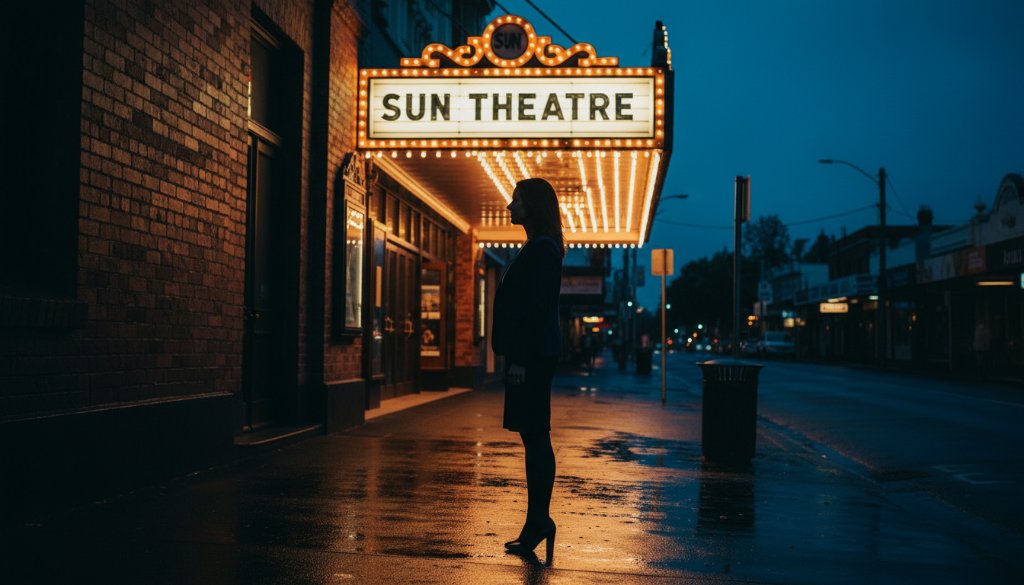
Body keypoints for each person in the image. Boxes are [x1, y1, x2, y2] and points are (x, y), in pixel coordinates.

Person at [491, 178, 564, 562]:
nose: (509, 206)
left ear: (532, 205)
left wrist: (519, 358)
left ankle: (539, 521)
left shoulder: (542, 250)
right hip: (530, 356)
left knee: (536, 437)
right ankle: (536, 522)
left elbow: (534, 311)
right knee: (532, 438)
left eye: (516, 200)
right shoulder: (536, 248)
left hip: (531, 358)